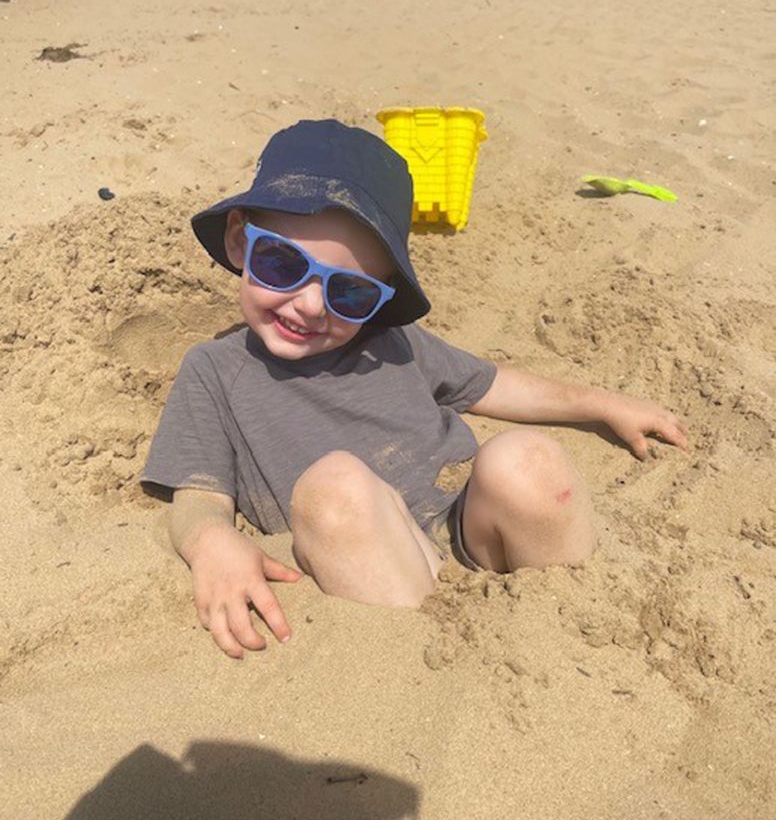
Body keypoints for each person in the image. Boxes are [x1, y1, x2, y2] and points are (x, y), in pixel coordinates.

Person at [141, 119, 688, 659]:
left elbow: (491, 385)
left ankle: (572, 640)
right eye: (281, 264)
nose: (309, 305)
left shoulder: (393, 341)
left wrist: (602, 403)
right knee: (335, 485)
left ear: (379, 295)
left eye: (350, 292)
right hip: (366, 561)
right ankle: (426, 675)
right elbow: (199, 497)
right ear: (240, 241)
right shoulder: (214, 370)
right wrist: (211, 543)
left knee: (531, 460)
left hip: (463, 526)